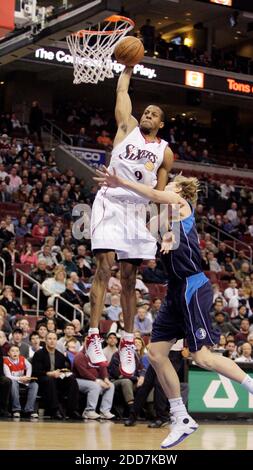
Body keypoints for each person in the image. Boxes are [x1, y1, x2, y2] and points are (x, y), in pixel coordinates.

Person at [95, 167, 253, 448]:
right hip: (175, 291)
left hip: (193, 286)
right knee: (156, 354)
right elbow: (144, 227)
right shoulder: (162, 218)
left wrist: (122, 181)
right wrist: (113, 199)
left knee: (202, 357)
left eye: (170, 185)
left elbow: (155, 194)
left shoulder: (182, 204)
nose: (165, 187)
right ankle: (181, 417)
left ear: (179, 191)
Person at [87, 66, 173, 377]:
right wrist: (127, 68)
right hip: (110, 203)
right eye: (146, 111)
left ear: (161, 123)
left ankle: (126, 339)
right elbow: (121, 93)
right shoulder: (128, 127)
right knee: (104, 267)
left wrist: (163, 228)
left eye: (154, 114)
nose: (147, 114)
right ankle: (93, 335)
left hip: (136, 213)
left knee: (128, 279)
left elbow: (159, 195)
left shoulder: (164, 152)